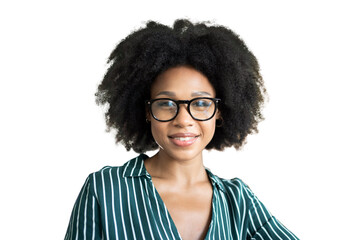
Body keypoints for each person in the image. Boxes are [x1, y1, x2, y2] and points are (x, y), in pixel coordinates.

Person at [65, 19, 299, 240]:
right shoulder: (105, 190)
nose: (184, 120)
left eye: (200, 103)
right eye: (166, 104)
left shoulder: (237, 201)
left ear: (220, 110)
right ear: (146, 110)